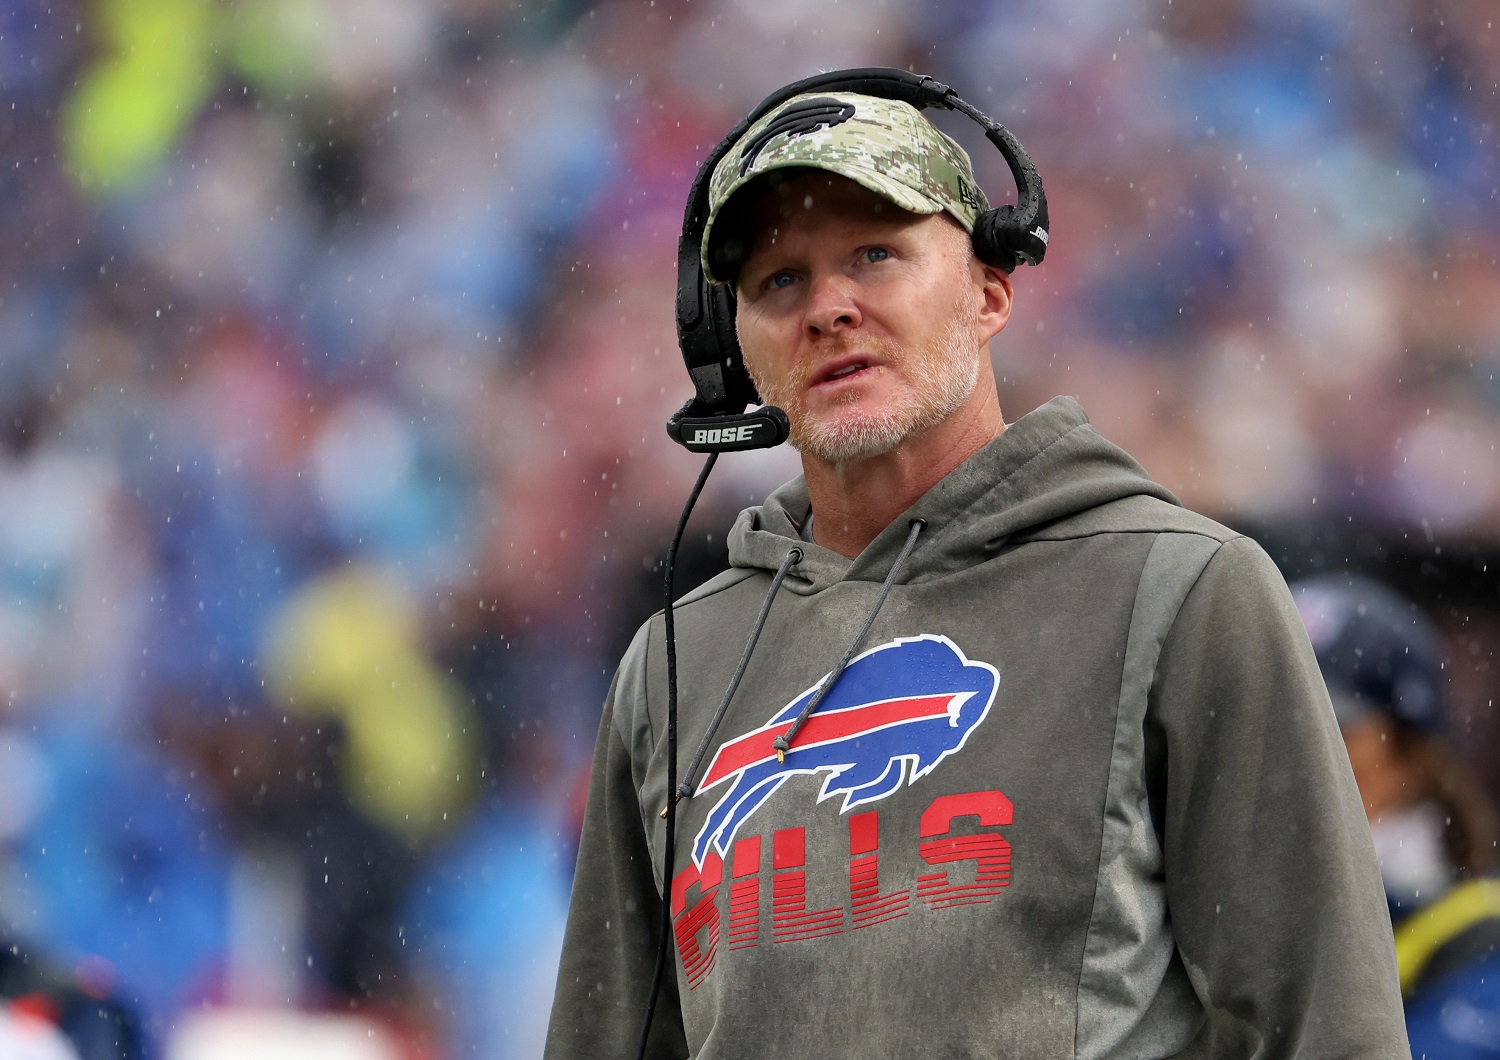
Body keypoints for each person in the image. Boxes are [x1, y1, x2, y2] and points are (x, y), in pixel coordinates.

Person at [545, 73, 1408, 1058]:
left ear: (991, 291)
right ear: (733, 348)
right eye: (780, 279)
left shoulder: (1185, 591)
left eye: (877, 253)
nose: (829, 306)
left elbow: (1330, 1030)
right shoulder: (673, 668)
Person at [1295, 574, 1500, 1059]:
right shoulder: (1190, 898)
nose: (1293, 753)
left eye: (1331, 725)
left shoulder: (1480, 945)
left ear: (1413, 752)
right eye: (1264, 722)